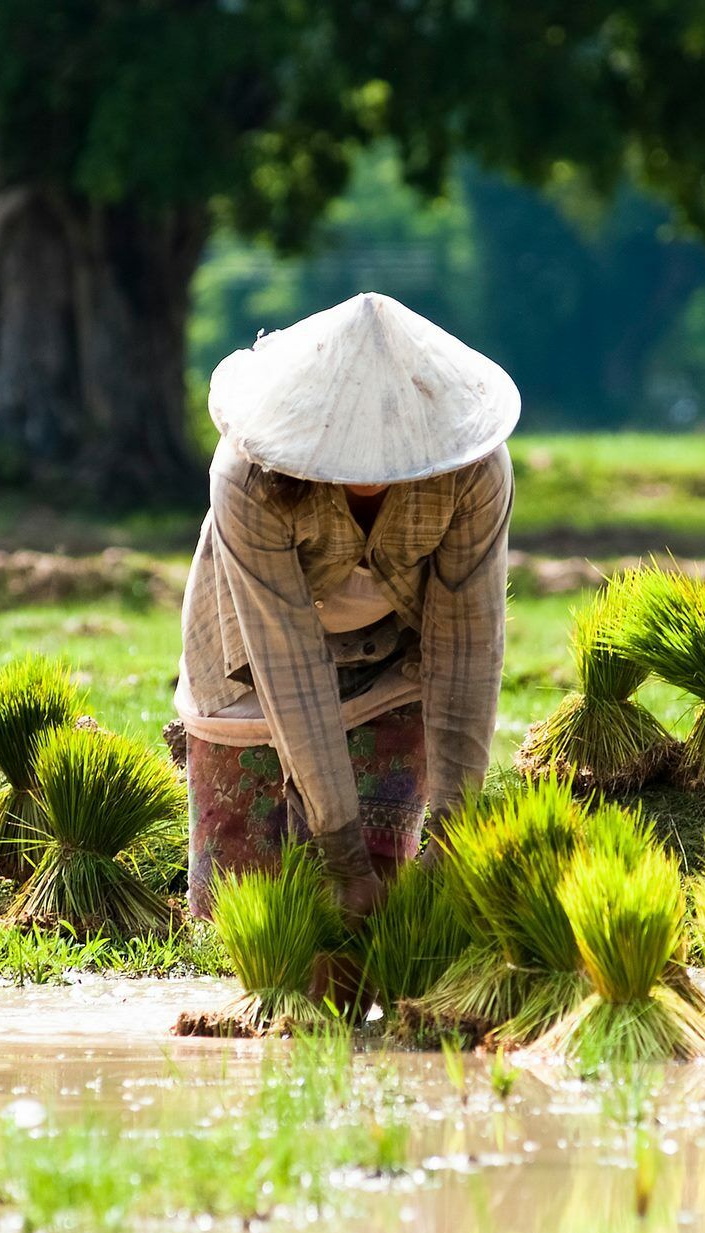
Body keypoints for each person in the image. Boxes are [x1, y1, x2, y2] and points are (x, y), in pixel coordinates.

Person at [175, 292, 517, 922]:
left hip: (396, 658)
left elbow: (469, 645)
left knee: (391, 901)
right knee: (247, 914)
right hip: (254, 662)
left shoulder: (473, 472)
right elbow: (288, 660)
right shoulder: (248, 478)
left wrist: (452, 831)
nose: (371, 466)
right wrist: (342, 853)